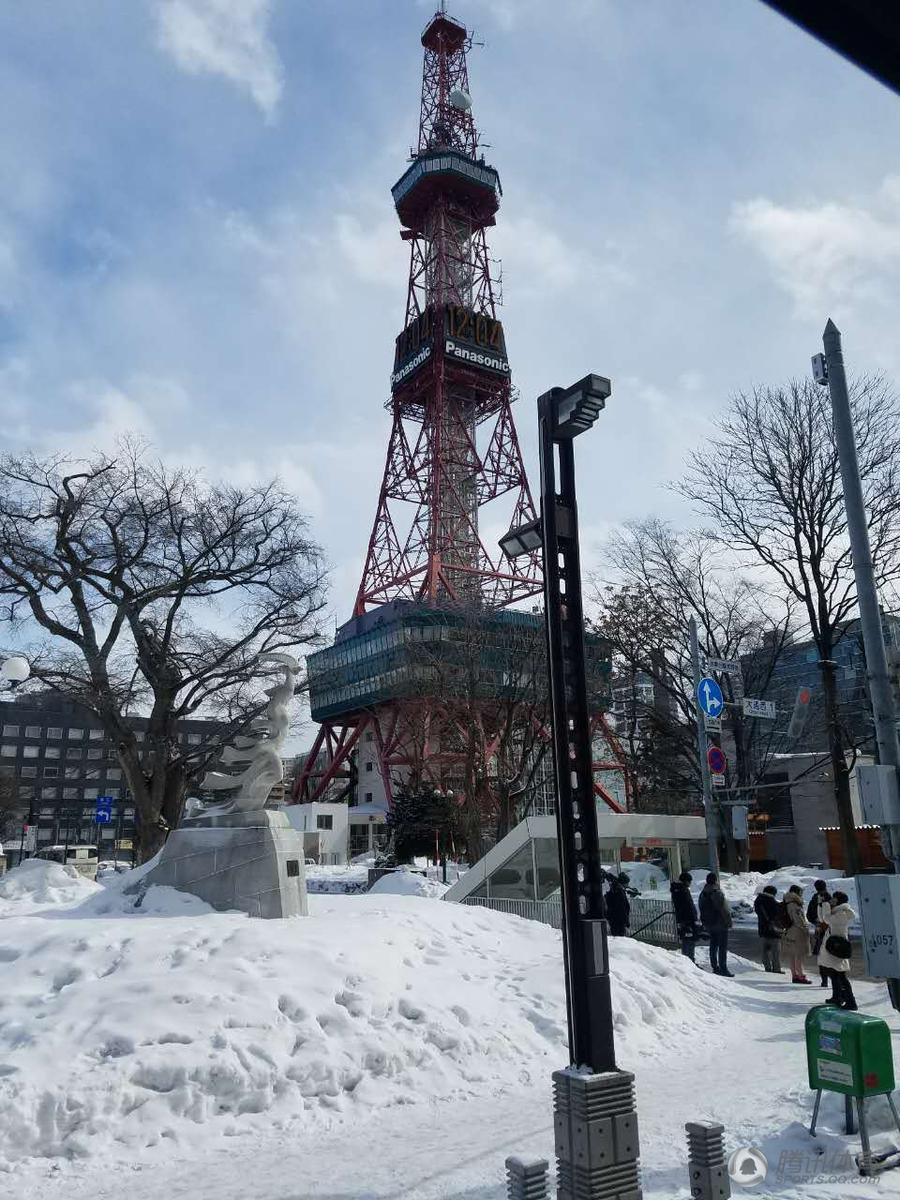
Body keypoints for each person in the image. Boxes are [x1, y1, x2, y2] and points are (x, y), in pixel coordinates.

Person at [819, 889, 858, 1010]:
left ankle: (850, 1001)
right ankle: (837, 997)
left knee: (840, 976)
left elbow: (826, 919)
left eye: (834, 899)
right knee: (834, 974)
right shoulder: (838, 912)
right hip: (834, 948)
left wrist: (825, 905)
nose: (832, 900)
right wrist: (822, 905)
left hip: (837, 949)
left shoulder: (842, 913)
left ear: (839, 900)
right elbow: (823, 919)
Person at [699, 872, 733, 976]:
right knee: (722, 947)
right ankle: (723, 968)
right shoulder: (717, 892)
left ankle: (715, 967)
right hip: (720, 923)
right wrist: (729, 921)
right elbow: (724, 909)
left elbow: (701, 907)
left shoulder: (703, 893)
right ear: (715, 880)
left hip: (709, 923)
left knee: (713, 945)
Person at [783, 884, 812, 983]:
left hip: (789, 930)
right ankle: (801, 976)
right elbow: (798, 920)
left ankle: (794, 976)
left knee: (792, 955)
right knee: (799, 955)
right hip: (797, 931)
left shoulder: (786, 902)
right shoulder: (795, 904)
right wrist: (805, 929)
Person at [753, 884, 785, 973]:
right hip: (773, 930)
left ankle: (767, 967)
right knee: (775, 951)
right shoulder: (772, 902)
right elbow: (776, 915)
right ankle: (776, 968)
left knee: (765, 951)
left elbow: (758, 912)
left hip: (762, 928)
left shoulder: (758, 900)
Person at [671, 871, 701, 963]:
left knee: (685, 940)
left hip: (681, 919)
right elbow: (689, 906)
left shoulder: (676, 890)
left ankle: (686, 960)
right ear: (686, 881)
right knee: (690, 941)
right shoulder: (684, 890)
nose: (690, 883)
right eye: (689, 881)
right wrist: (694, 919)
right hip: (688, 919)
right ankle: (690, 961)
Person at [807, 879, 832, 988]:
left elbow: (809, 915)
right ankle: (835, 979)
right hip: (831, 930)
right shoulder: (830, 898)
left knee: (822, 956)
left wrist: (817, 923)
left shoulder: (814, 899)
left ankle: (824, 980)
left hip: (820, 930)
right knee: (832, 956)